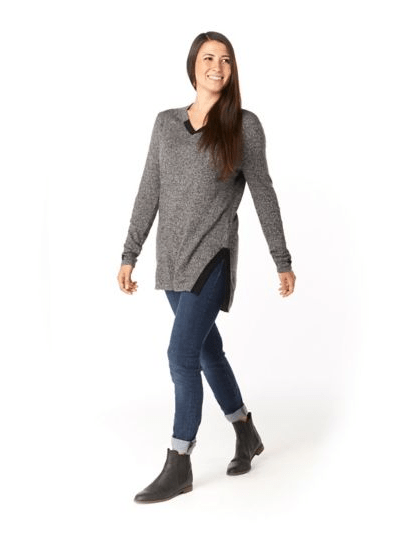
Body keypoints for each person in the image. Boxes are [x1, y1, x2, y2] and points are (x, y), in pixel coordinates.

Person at [117, 31, 296, 504]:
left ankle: (179, 462)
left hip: (212, 257)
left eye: (226, 59)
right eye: (208, 57)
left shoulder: (243, 126)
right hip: (171, 260)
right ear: (193, 65)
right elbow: (149, 189)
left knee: (180, 355)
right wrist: (130, 252)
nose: (217, 66)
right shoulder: (165, 123)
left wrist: (282, 259)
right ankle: (246, 431)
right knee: (206, 352)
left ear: (233, 70)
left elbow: (263, 194)